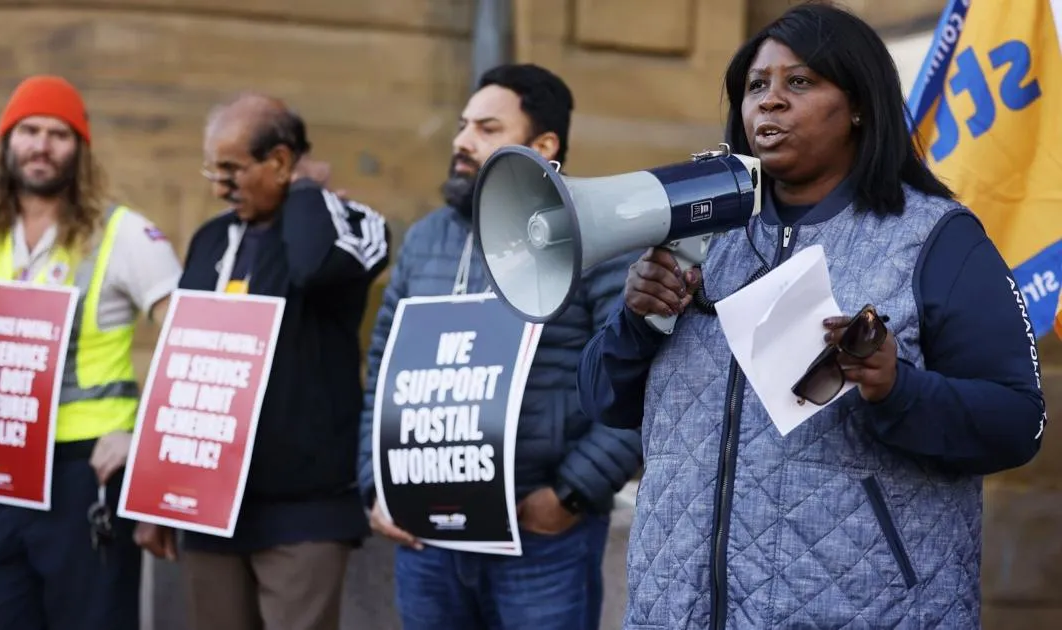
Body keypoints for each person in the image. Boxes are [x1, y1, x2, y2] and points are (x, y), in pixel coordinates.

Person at [576, 4, 1048, 629]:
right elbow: (602, 401)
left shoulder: (936, 239)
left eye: (799, 81)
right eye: (755, 86)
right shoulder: (700, 235)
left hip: (867, 612)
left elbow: (1018, 423)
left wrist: (896, 388)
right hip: (676, 612)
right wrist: (637, 320)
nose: (769, 101)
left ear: (858, 106)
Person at [0, 75, 182, 630]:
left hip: (87, 471)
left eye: (58, 134)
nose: (42, 146)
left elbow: (190, 338)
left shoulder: (125, 234)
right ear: (6, 141)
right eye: (29, 131)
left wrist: (145, 437)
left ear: (80, 149)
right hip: (0, 465)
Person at [357, 63, 643, 630]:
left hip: (541, 539)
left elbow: (634, 384)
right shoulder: (426, 239)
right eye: (463, 125)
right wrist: (376, 486)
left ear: (543, 145)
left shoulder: (598, 238)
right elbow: (382, 370)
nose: (462, 141)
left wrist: (570, 495)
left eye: (487, 129)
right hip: (426, 539)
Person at [133, 93, 390, 630]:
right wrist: (157, 496)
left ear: (279, 161)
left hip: (303, 511)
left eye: (231, 170)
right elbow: (185, 365)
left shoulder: (343, 223)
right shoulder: (211, 239)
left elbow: (312, 269)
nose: (218, 187)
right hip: (211, 508)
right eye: (212, 169)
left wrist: (306, 192)